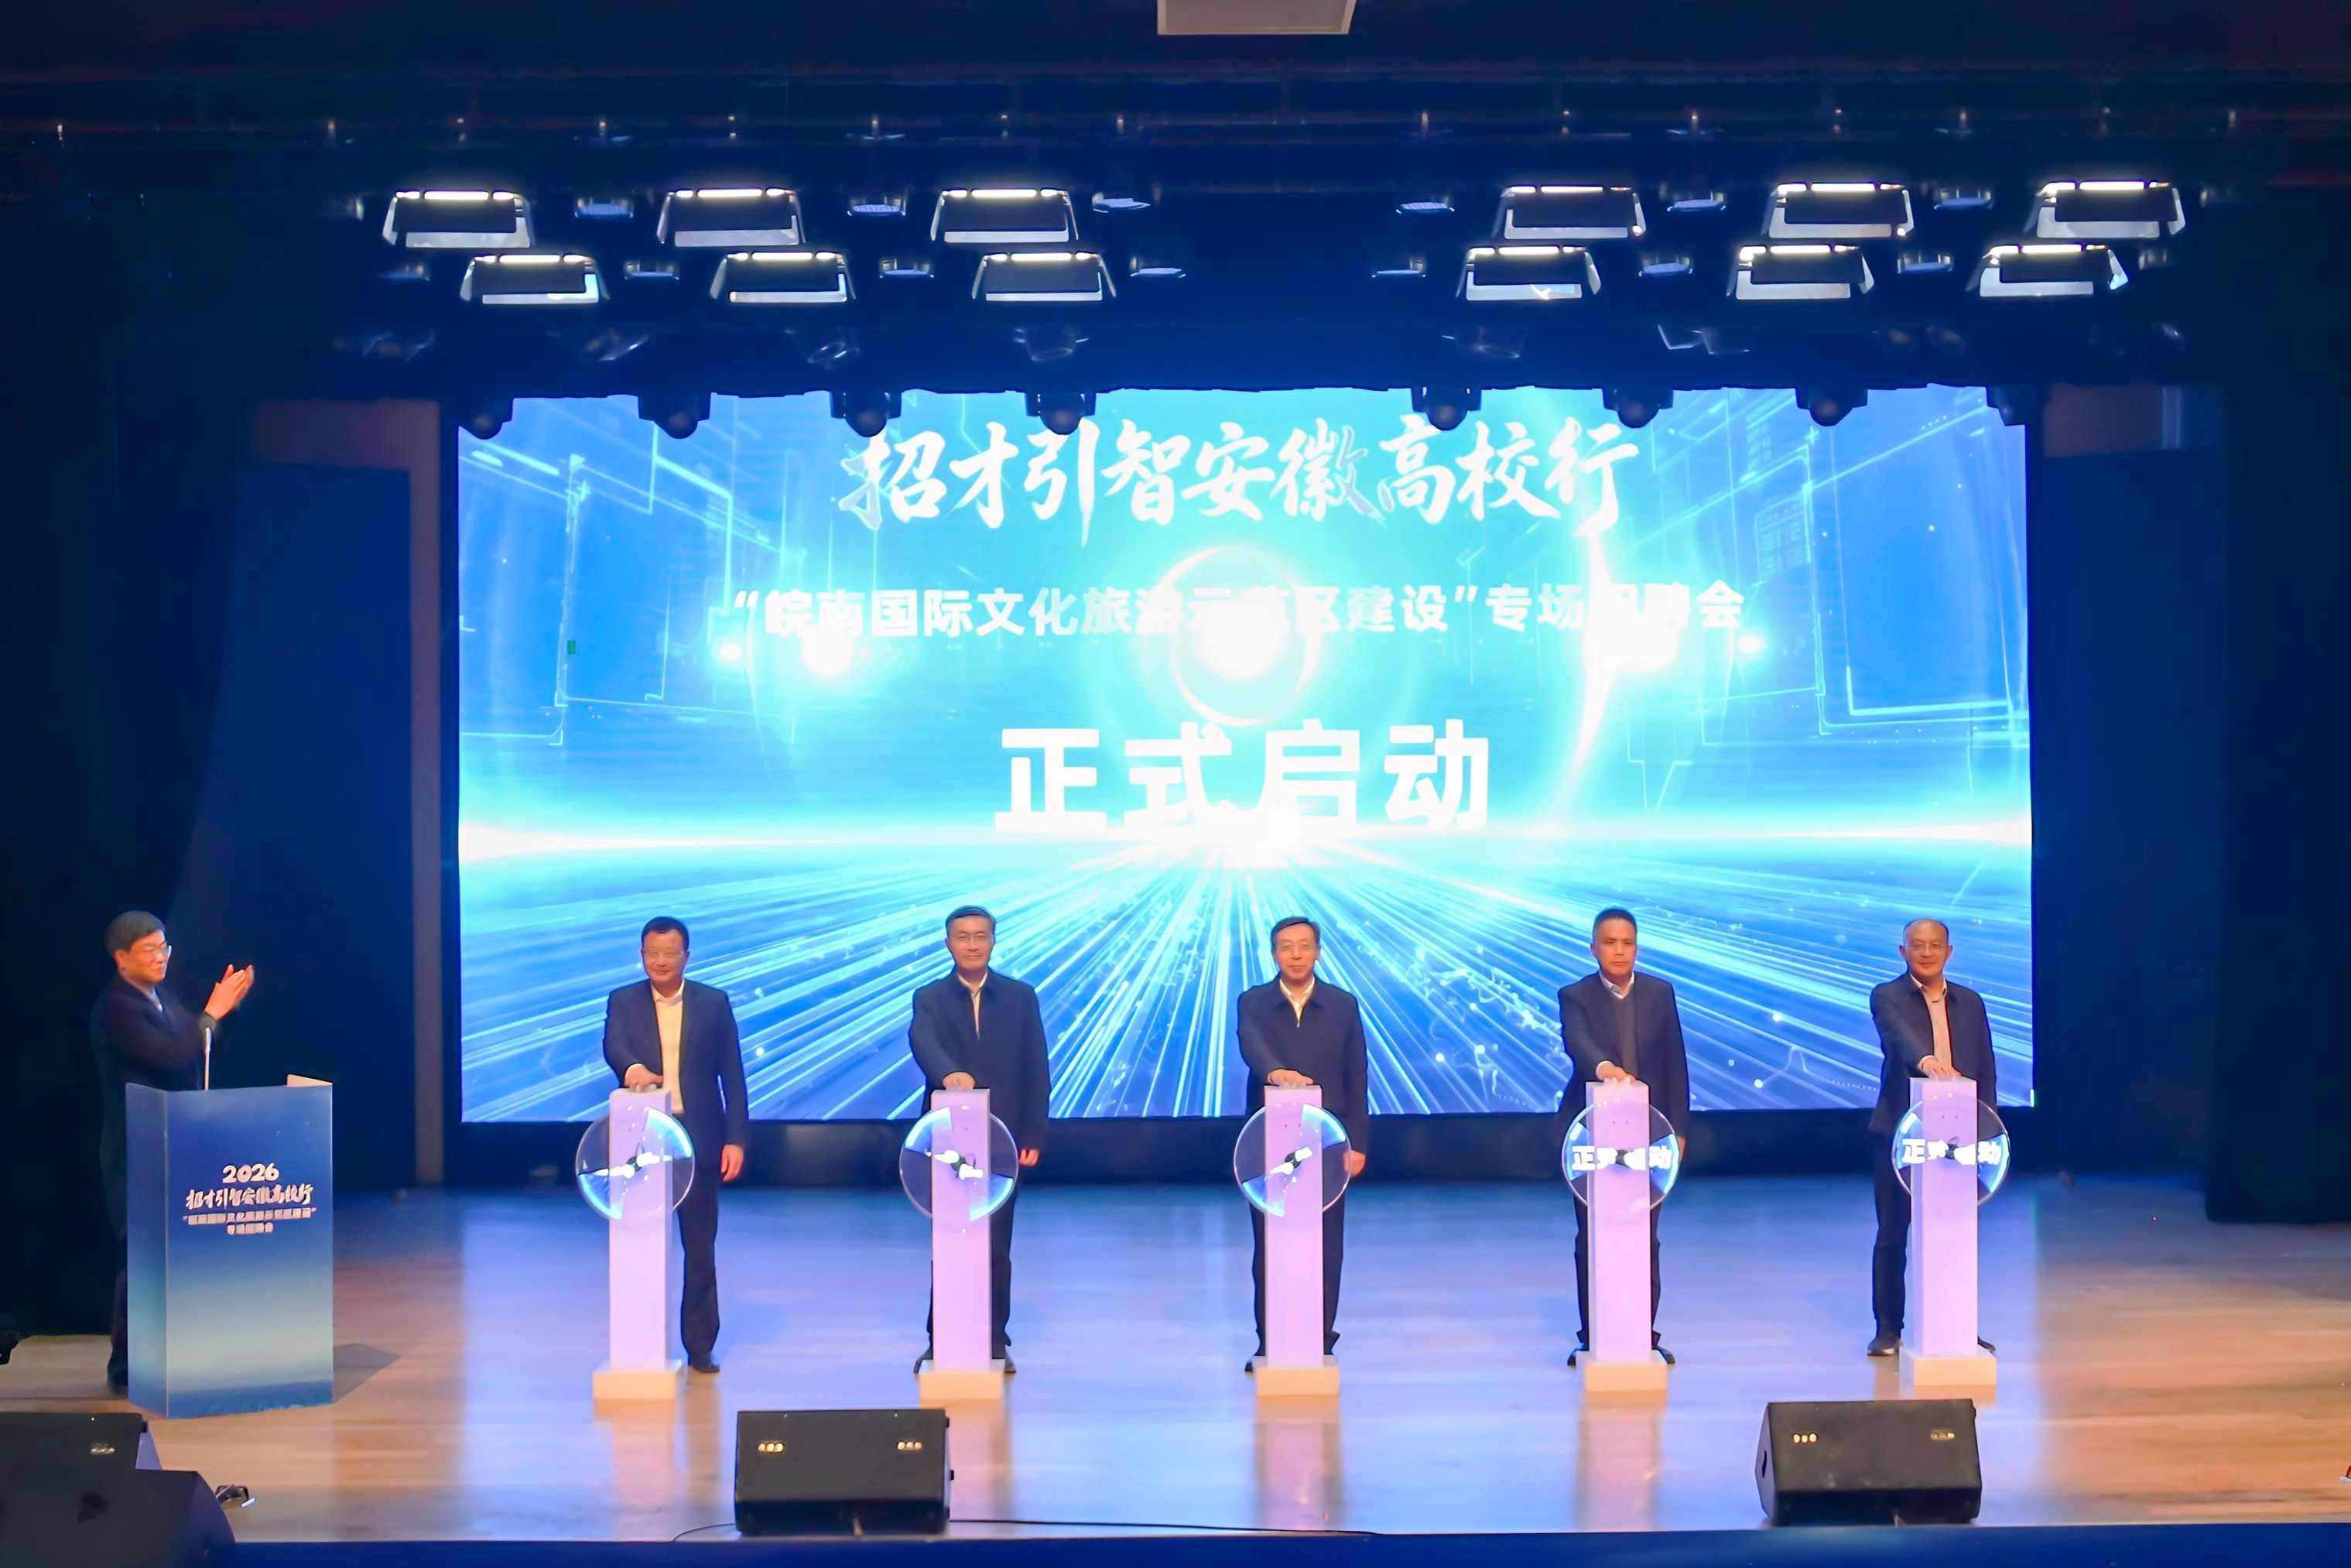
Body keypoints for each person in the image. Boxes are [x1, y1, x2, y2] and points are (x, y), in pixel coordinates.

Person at [90, 911, 255, 1388]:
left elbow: (198, 1047)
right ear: (122, 959)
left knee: (175, 1251)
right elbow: (174, 1055)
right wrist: (214, 1010)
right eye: (149, 950)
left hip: (173, 1138)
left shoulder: (161, 997)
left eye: (164, 947)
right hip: (136, 1146)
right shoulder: (116, 1008)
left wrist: (226, 1010)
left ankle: (176, 1352)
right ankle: (126, 1365)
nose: (161, 957)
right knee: (141, 1254)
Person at [600, 916, 748, 1375]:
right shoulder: (623, 1000)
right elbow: (613, 1045)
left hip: (699, 1137)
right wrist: (632, 1070)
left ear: (687, 956)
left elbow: (733, 1074)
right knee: (640, 1242)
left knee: (700, 1247)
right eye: (652, 953)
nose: (660, 961)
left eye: (670, 953)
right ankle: (642, 1344)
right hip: (642, 1139)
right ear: (642, 955)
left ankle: (700, 1346)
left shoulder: (712, 1002)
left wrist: (736, 1139)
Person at [908, 906, 1049, 1373]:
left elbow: (1036, 1065)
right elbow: (923, 1042)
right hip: (948, 1137)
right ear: (948, 943)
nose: (972, 944)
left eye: (981, 936)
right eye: (963, 936)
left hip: (1004, 1137)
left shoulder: (1020, 996)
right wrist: (949, 1074)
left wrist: (1034, 1131)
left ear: (993, 941)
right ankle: (943, 1339)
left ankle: (993, 1340)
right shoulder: (929, 997)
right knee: (950, 1239)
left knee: (996, 1245)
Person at [1551, 906, 1689, 1364]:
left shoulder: (1660, 993)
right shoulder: (1575, 995)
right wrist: (1606, 1068)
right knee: (1593, 1236)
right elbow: (1577, 1042)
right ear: (1594, 948)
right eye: (1609, 942)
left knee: (1644, 1236)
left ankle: (1643, 1334)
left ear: (1637, 947)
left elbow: (1675, 1062)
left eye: (1627, 943)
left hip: (1652, 1136)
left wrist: (1678, 1130)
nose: (1619, 950)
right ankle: (1593, 1335)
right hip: (1591, 1136)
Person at [1236, 916, 1370, 1372]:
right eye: (1286, 946)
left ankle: (1320, 1339)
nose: (1296, 954)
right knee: (1270, 1243)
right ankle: (1270, 1341)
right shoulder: (1254, 1002)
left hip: (1328, 1142)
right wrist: (1276, 1073)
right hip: (1269, 1139)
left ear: (1318, 951)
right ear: (1274, 954)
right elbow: (1252, 1046)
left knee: (1326, 1243)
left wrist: (1357, 1141)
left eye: (1304, 946)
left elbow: (1357, 1074)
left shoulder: (1342, 1004)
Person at [1866, 916, 1998, 1357]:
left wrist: (1987, 1129)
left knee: (1955, 1232)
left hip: (1958, 1138)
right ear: (1903, 951)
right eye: (1917, 945)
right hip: (1901, 1133)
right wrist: (1926, 1061)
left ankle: (1955, 1327)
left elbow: (1985, 1068)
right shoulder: (1887, 995)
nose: (1926, 953)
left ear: (1949, 952)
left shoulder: (1970, 1002)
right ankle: (1888, 1329)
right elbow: (1899, 1039)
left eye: (1935, 945)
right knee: (1893, 1234)